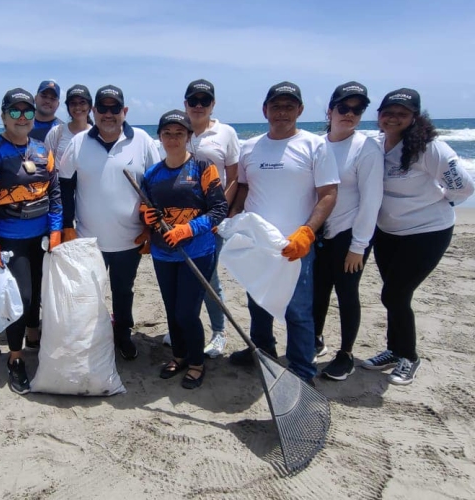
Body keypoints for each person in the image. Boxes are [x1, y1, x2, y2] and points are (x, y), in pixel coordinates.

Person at [228, 82, 339, 384]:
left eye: (289, 106)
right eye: (276, 106)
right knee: (257, 301)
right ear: (265, 110)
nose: (282, 112)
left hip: (295, 244)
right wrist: (231, 218)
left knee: (298, 310)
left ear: (300, 110)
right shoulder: (250, 147)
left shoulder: (314, 146)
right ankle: (262, 350)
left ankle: (302, 369)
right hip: (257, 243)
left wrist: (307, 233)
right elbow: (243, 188)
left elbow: (328, 193)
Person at [361, 88, 474, 385]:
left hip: (428, 232)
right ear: (379, 116)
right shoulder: (376, 145)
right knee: (395, 293)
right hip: (388, 232)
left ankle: (409, 356)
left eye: (402, 113)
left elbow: (463, 186)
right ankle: (393, 349)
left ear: (415, 117)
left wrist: (439, 201)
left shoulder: (430, 148)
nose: (393, 118)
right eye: (388, 112)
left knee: (394, 294)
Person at [60, 85, 161, 360]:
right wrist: (67, 225)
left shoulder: (142, 140)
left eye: (114, 108)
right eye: (102, 108)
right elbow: (65, 185)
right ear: (94, 112)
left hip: (130, 239)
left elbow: (154, 184)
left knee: (123, 290)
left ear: (124, 112)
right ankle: (92, 337)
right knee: (89, 293)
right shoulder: (79, 142)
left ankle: (122, 335)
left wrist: (149, 226)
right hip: (87, 238)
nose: (108, 114)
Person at [0, 88, 62, 394]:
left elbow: (55, 194)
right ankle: (14, 357)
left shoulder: (41, 150)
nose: (22, 117)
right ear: (4, 116)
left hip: (41, 238)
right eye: (15, 111)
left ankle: (34, 337)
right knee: (19, 300)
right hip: (10, 238)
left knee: (39, 294)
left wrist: (55, 230)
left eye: (27, 111)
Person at [141, 110, 228, 389]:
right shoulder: (152, 174)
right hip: (163, 252)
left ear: (189, 136)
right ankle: (178, 356)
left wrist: (188, 229)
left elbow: (219, 209)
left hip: (197, 251)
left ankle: (196, 362)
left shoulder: (204, 168)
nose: (173, 138)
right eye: (167, 133)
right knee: (171, 308)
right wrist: (147, 216)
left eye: (179, 133)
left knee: (187, 313)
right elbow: (146, 206)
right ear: (160, 137)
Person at [312, 82, 384, 381]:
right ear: (330, 111)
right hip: (319, 234)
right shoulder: (317, 144)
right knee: (317, 291)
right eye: (344, 107)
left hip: (350, 235)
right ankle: (315, 340)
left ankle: (346, 354)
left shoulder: (366, 148)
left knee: (346, 293)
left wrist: (359, 245)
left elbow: (372, 200)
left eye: (357, 109)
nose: (350, 114)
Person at [163, 78, 241, 357]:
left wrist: (220, 215)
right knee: (183, 276)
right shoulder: (177, 131)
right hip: (178, 223)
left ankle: (219, 332)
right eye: (193, 101)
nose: (198, 106)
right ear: (185, 104)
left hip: (210, 223)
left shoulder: (225, 133)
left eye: (204, 101)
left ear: (213, 104)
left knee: (208, 280)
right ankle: (184, 328)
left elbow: (234, 178)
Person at [44, 84, 93, 164]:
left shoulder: (97, 135)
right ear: (68, 107)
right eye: (73, 103)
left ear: (90, 106)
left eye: (82, 102)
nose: (77, 107)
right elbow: (45, 163)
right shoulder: (56, 132)